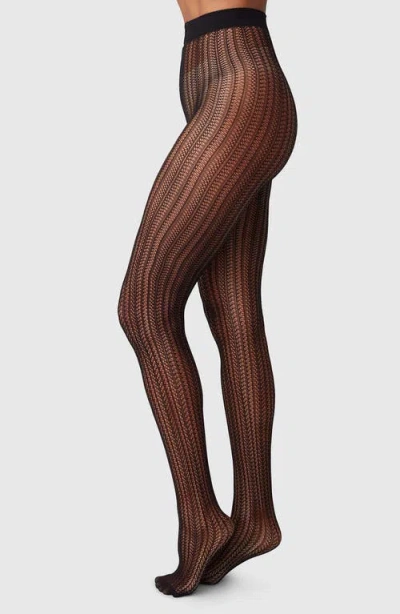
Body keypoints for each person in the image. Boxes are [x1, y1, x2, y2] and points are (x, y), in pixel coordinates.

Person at [118, 0, 297, 598]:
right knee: (234, 311)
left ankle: (201, 518)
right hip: (215, 76)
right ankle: (255, 517)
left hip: (240, 80)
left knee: (143, 308)